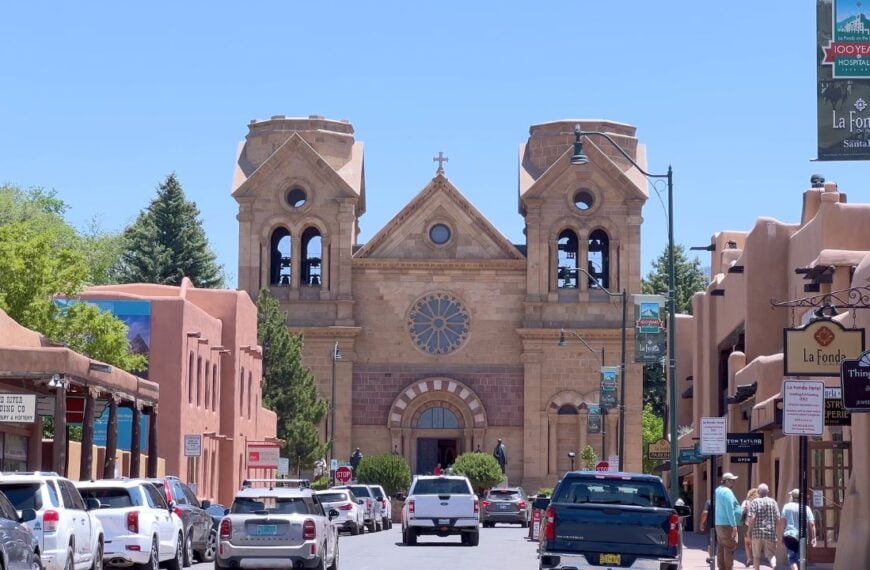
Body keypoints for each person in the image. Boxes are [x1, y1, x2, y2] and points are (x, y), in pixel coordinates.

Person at [777, 489, 817, 570]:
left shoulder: (786, 507)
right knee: (801, 558)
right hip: (802, 536)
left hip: (789, 535)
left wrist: (781, 536)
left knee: (792, 558)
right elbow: (812, 524)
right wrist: (814, 537)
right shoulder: (806, 508)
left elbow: (783, 523)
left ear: (792, 497)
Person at [746, 483, 779, 570]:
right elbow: (778, 518)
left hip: (757, 532)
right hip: (770, 532)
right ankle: (774, 566)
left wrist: (749, 530)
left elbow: (752, 517)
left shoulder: (755, 502)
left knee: (756, 556)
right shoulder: (773, 502)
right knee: (771, 555)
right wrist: (776, 531)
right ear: (768, 491)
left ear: (758, 491)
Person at [714, 472, 742, 570]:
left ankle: (721, 567)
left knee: (721, 547)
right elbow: (730, 509)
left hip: (719, 523)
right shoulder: (727, 492)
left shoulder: (717, 490)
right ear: (726, 481)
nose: (734, 482)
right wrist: (734, 526)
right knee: (729, 548)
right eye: (732, 480)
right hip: (727, 524)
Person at [741, 487, 759, 567]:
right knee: (755, 544)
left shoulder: (746, 502)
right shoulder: (758, 502)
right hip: (757, 525)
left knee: (747, 543)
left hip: (746, 524)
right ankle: (755, 562)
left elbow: (741, 511)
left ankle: (749, 558)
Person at [698, 498, 714, 564]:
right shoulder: (722, 501)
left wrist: (701, 523)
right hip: (722, 525)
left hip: (711, 526)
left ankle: (711, 557)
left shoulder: (709, 502)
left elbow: (705, 513)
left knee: (710, 543)